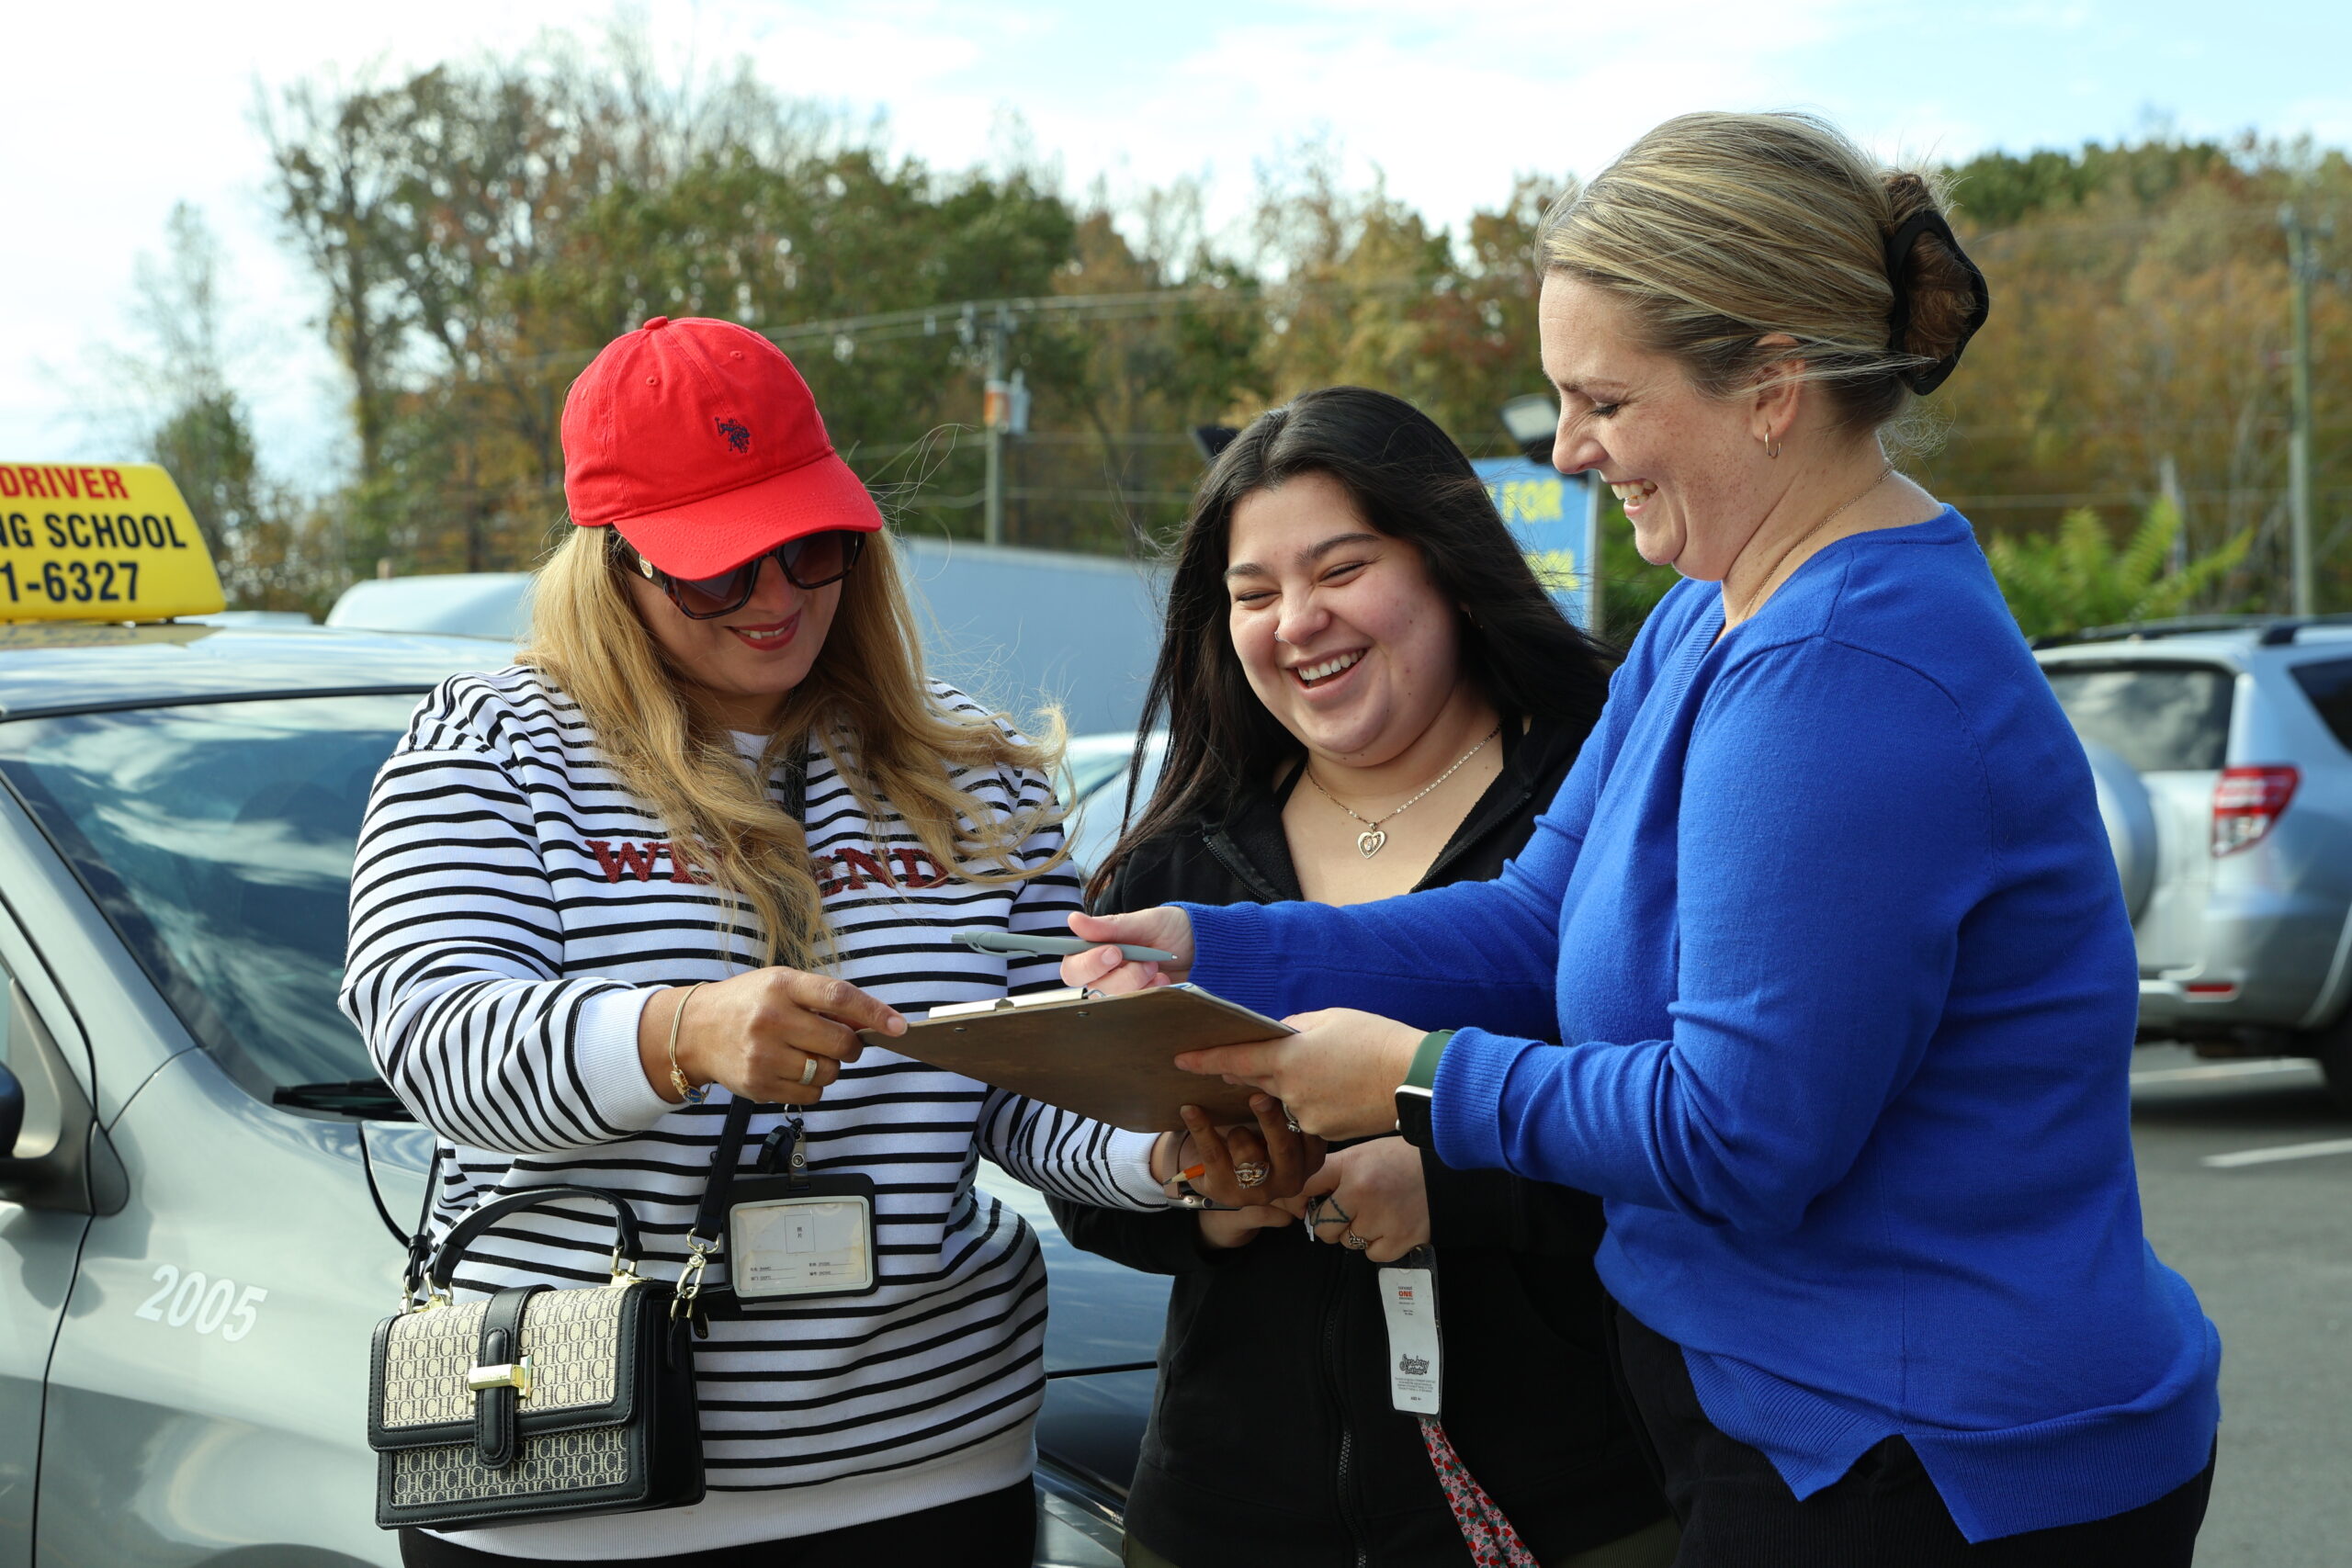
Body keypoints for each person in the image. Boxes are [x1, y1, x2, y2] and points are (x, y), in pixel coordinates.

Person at [1067, 114, 2221, 1566]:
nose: (1567, 448)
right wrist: (1216, 945)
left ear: (1772, 388)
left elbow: (1741, 1130)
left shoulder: (1843, 673)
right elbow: (1535, 919)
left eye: (1603, 398)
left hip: (1922, 1455)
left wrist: (1411, 1076)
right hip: (1820, 1424)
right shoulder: (1707, 618)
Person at [341, 315, 1302, 1567]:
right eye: (718, 570)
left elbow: (1033, 1087)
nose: (777, 598)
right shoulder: (495, 740)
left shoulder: (968, 764)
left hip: (930, 1467)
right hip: (574, 1481)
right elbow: (432, 1034)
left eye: (811, 547)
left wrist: (1173, 1151)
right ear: (611, 561)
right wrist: (677, 1033)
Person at [1050, 386, 1674, 1568]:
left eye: (1341, 570)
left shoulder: (1598, 797)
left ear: (1448, 567)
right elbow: (1089, 1176)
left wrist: (1455, 1187)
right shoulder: (1177, 862)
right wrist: (1212, 1197)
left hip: (1569, 1505)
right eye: (1253, 594)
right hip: (1224, 1517)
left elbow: (1712, 1121)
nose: (1298, 622)